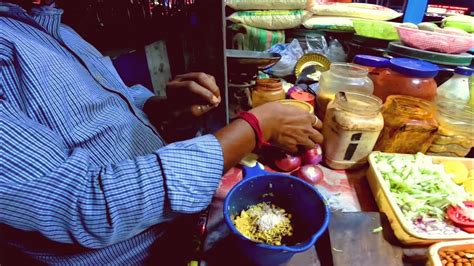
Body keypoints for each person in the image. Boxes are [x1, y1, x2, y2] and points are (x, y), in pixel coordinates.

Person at [0, 1, 323, 264]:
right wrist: (253, 128)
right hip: (147, 254)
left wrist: (161, 107)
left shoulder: (48, 22)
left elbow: (103, 109)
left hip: (184, 222)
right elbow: (84, 207)